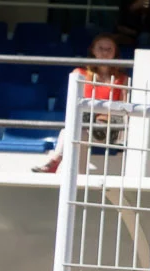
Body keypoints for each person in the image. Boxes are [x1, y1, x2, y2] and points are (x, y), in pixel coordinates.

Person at [35, 33, 129, 173]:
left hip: (108, 127)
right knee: (73, 131)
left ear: (115, 52)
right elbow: (75, 104)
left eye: (109, 49)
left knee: (74, 128)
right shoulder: (79, 73)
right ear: (93, 50)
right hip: (85, 125)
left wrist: (106, 116)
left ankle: (55, 161)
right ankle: (66, 169)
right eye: (101, 48)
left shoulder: (122, 79)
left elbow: (124, 108)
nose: (105, 52)